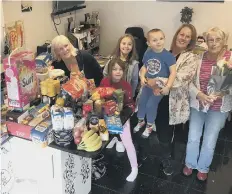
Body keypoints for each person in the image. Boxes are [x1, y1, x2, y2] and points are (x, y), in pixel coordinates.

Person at [183, 27, 232, 181]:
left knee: (210, 139)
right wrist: (199, 94)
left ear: (224, 41)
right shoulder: (198, 58)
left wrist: (223, 92)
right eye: (211, 39)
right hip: (198, 104)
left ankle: (203, 167)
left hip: (218, 108)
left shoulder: (230, 59)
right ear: (206, 41)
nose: (214, 43)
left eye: (218, 39)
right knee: (193, 136)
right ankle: (190, 163)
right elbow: (188, 82)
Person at [155, 24, 198, 176]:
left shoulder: (192, 58)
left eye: (188, 36)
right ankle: (165, 153)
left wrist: (157, 80)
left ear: (190, 40)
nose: (183, 38)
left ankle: (167, 159)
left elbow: (180, 79)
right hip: (157, 98)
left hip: (173, 102)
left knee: (168, 133)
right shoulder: (164, 53)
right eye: (182, 34)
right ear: (176, 35)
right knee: (160, 131)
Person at [100, 58, 138, 182]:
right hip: (107, 116)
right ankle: (115, 138)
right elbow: (100, 97)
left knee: (128, 141)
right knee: (105, 135)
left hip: (122, 117)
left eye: (120, 69)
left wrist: (124, 117)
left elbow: (131, 104)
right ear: (110, 70)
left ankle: (134, 168)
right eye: (115, 69)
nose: (118, 72)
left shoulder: (126, 85)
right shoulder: (105, 81)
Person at [134, 29, 176, 138]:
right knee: (142, 102)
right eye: (154, 40)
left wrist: (168, 86)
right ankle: (141, 121)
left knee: (151, 104)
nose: (158, 42)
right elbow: (144, 67)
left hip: (159, 87)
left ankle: (150, 125)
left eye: (161, 39)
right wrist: (142, 76)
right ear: (148, 43)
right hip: (148, 85)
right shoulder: (148, 53)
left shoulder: (168, 56)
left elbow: (173, 73)